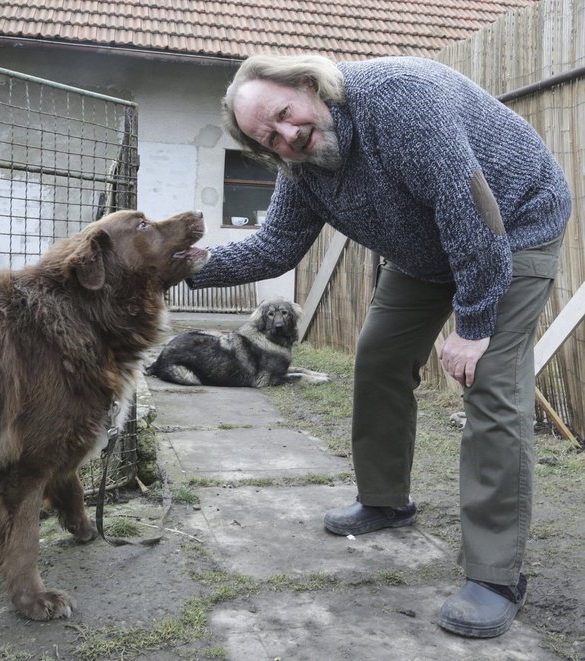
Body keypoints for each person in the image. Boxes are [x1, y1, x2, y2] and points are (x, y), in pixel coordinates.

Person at [188, 53, 571, 638]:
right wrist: (178, 267)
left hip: (513, 227)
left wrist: (471, 328)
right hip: (429, 250)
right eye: (270, 137)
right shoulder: (303, 167)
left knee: (491, 381)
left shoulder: (400, 100)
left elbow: (472, 214)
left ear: (308, 85)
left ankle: (495, 575)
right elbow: (275, 248)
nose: (289, 136)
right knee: (380, 357)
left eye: (287, 115)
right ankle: (385, 501)